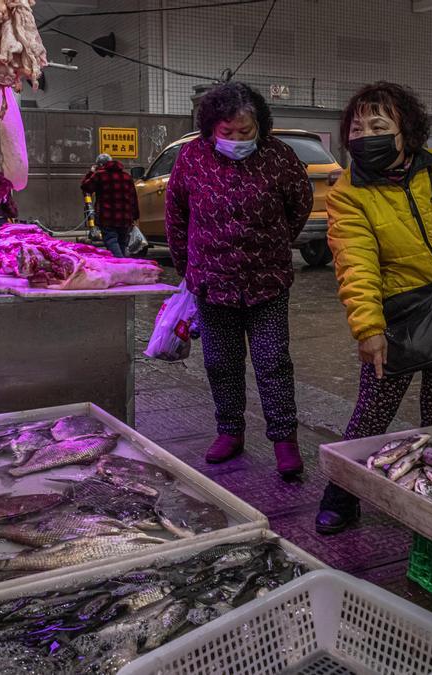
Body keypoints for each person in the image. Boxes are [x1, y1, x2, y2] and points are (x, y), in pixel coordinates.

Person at [314, 82, 432, 535]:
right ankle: (341, 495)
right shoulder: (348, 192)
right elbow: (355, 264)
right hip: (398, 323)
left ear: (407, 132)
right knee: (371, 416)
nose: (365, 136)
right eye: (357, 128)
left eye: (379, 126)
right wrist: (368, 328)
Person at [165, 81, 313, 480]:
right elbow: (177, 215)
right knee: (220, 363)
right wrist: (187, 266)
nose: (235, 139)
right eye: (226, 132)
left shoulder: (279, 157)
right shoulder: (191, 158)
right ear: (210, 127)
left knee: (272, 363)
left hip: (267, 283)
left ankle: (285, 440)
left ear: (260, 126)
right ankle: (229, 431)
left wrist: (276, 243)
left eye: (244, 132)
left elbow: (301, 204)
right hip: (211, 283)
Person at [81, 153, 139, 257]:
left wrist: (91, 172)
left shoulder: (99, 175)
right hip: (125, 218)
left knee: (111, 241)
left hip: (107, 217)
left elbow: (85, 187)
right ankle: (123, 267)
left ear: (100, 165)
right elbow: (133, 197)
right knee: (122, 242)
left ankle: (121, 264)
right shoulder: (127, 176)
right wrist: (134, 216)